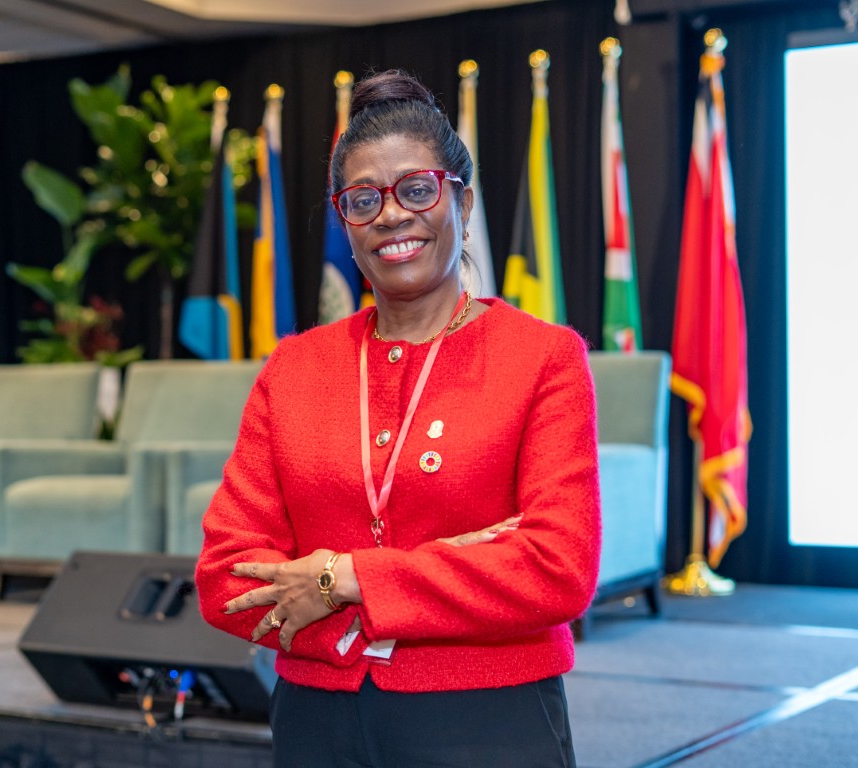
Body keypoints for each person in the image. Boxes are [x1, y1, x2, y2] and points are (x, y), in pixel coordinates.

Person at [196, 69, 600, 767]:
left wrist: (341, 580)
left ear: (461, 201)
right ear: (344, 221)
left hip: (487, 714)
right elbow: (226, 574)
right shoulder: (293, 367)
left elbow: (557, 567)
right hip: (318, 714)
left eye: (417, 190)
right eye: (363, 200)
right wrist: (452, 574)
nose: (390, 216)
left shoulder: (543, 358)